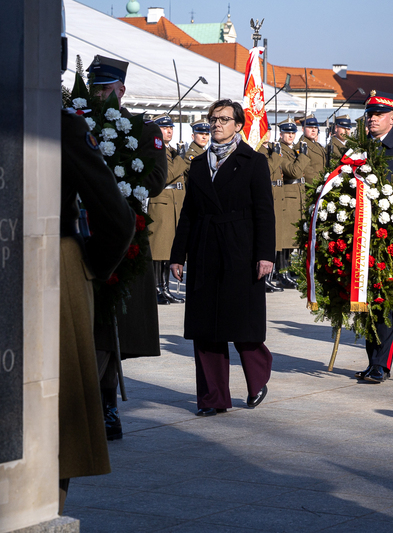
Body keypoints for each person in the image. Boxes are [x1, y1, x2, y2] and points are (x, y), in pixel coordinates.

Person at [169, 99, 276, 416]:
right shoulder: (199, 164)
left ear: (238, 125)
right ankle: (213, 398)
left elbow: (264, 213)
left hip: (240, 248)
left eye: (224, 119)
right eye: (213, 119)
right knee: (206, 328)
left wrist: (265, 255)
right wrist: (178, 255)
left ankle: (257, 378)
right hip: (204, 248)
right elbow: (188, 213)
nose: (216, 124)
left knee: (240, 323)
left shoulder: (253, 161)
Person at [87, 55, 168, 440]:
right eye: (95, 88)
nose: (100, 94)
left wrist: (117, 171)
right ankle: (95, 400)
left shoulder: (142, 129)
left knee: (112, 324)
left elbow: (154, 179)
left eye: (106, 88)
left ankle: (107, 404)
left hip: (125, 236)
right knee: (90, 325)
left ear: (121, 90)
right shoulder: (75, 124)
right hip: (82, 235)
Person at [59, 106, 136, 510]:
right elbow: (116, 218)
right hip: (52, 264)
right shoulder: (56, 121)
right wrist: (90, 267)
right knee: (57, 424)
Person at [355, 91, 393, 383]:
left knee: (386, 297)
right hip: (360, 235)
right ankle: (371, 359)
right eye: (369, 115)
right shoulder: (359, 148)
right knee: (362, 297)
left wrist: (386, 197)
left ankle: (381, 363)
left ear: (392, 117)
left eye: (378, 115)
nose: (372, 119)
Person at [149, 113, 189, 305]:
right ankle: (157, 288)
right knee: (159, 249)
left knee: (169, 250)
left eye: (171, 127)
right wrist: (181, 159)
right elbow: (166, 175)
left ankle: (165, 287)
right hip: (162, 202)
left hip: (175, 203)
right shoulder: (155, 149)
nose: (169, 130)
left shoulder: (171, 151)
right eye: (165, 128)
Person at [277, 117, 311, 289]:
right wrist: (303, 157)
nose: (290, 136)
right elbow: (293, 171)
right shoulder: (280, 151)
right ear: (281, 134)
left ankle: (288, 269)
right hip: (288, 195)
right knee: (285, 238)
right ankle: (282, 272)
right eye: (287, 133)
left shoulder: (292, 150)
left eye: (292, 133)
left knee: (293, 237)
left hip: (298, 195)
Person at [257, 126, 286, 292]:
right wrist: (275, 155)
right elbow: (266, 170)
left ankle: (272, 275)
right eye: (263, 131)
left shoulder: (269, 150)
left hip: (277, 195)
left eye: (268, 131)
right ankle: (266, 278)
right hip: (269, 195)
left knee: (278, 239)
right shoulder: (259, 150)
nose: (266, 134)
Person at [298, 114, 329, 181]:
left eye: (315, 128)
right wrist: (319, 183)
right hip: (311, 186)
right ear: (303, 129)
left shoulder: (318, 146)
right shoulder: (301, 146)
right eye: (310, 127)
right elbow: (306, 171)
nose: (313, 130)